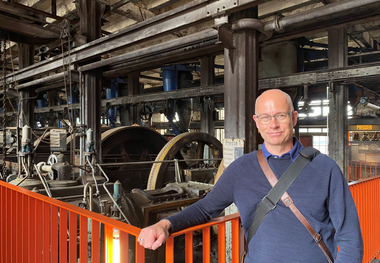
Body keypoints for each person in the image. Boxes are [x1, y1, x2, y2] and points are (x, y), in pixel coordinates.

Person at [138, 89, 363, 262]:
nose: (273, 124)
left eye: (280, 115)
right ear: (256, 122)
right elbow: (206, 208)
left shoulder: (325, 168)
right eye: (265, 117)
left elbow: (350, 237)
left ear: (294, 118)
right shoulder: (241, 169)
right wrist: (165, 225)